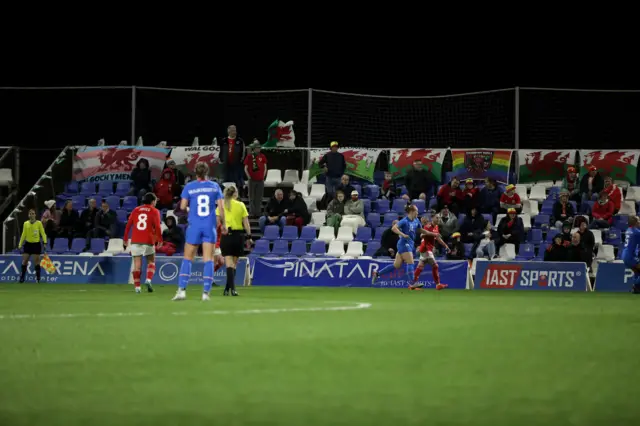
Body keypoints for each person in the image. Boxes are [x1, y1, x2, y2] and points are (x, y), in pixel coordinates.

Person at [172, 162, 225, 301]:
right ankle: (206, 293)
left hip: (194, 225)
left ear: (195, 172)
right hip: (209, 226)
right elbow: (221, 208)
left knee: (188, 258)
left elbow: (182, 207)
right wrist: (223, 225)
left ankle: (182, 291)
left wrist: (191, 209)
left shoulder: (189, 186)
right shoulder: (215, 186)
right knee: (208, 260)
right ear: (207, 172)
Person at [372, 205, 426, 288]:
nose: (417, 213)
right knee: (410, 262)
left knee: (396, 265)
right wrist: (403, 235)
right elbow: (393, 230)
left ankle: (377, 273)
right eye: (416, 211)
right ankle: (412, 282)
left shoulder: (412, 222)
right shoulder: (403, 222)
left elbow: (417, 231)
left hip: (402, 245)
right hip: (404, 245)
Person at [124, 193, 163, 293]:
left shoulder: (136, 210)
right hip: (148, 240)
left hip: (135, 240)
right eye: (155, 201)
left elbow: (128, 225)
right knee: (151, 261)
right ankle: (148, 279)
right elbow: (158, 227)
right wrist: (160, 239)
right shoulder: (155, 211)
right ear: (152, 201)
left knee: (137, 265)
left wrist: (125, 239)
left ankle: (137, 287)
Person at [218, 186, 252, 296]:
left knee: (229, 263)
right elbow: (246, 223)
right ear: (235, 194)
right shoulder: (241, 205)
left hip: (226, 235)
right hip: (238, 236)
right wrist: (249, 236)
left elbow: (217, 222)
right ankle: (232, 289)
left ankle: (229, 289)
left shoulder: (221, 205)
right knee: (234, 264)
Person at [412, 214, 450, 290]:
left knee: (420, 267)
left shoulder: (436, 227)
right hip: (426, 248)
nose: (438, 219)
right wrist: (425, 235)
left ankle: (413, 284)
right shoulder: (428, 226)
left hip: (425, 249)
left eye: (439, 218)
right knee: (435, 266)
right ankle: (438, 284)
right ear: (432, 218)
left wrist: (446, 246)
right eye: (437, 218)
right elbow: (422, 235)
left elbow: (438, 238)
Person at [17, 209, 47, 283]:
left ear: (35, 215)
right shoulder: (26, 223)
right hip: (28, 244)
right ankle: (22, 278)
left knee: (36, 261)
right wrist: (20, 244)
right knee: (25, 260)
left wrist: (45, 242)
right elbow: (23, 234)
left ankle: (38, 278)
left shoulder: (39, 223)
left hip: (36, 244)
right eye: (30, 214)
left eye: (33, 213)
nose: (31, 215)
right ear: (28, 215)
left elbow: (43, 233)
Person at [243, 141, 267, 218]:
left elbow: (265, 167)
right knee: (251, 197)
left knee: (259, 197)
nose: (258, 149)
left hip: (260, 180)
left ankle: (258, 212)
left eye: (259, 148)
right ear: (254, 148)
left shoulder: (262, 156)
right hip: (252, 180)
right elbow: (245, 168)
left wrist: (263, 176)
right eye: (257, 148)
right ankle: (252, 212)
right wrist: (249, 177)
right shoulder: (250, 156)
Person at [219, 125, 246, 192]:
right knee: (225, 181)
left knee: (237, 182)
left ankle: (237, 197)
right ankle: (224, 197)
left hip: (236, 165)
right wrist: (221, 159)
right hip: (226, 165)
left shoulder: (240, 141)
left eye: (235, 130)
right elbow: (220, 151)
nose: (234, 132)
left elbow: (243, 152)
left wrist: (240, 161)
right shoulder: (224, 141)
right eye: (232, 130)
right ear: (228, 131)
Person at [622, 216, 640, 293]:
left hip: (624, 255)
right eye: (639, 221)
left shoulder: (628, 230)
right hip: (630, 256)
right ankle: (635, 286)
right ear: (636, 223)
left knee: (637, 271)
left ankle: (636, 289)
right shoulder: (637, 232)